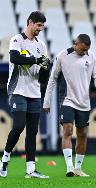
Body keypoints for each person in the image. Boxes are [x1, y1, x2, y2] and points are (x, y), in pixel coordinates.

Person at [43, 34, 96, 177]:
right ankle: (69, 167)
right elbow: (53, 79)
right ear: (76, 44)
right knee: (68, 130)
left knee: (82, 134)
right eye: (83, 49)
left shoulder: (91, 56)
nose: (85, 52)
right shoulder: (62, 56)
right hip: (67, 99)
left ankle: (78, 168)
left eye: (87, 50)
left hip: (84, 102)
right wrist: (46, 101)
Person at [0, 11, 50, 178]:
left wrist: (45, 68)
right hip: (17, 90)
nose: (40, 29)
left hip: (34, 92)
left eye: (42, 26)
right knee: (19, 126)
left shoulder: (41, 45)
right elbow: (15, 58)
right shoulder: (17, 40)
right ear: (30, 22)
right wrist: (36, 60)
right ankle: (5, 158)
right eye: (38, 25)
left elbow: (42, 78)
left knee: (33, 131)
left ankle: (30, 170)